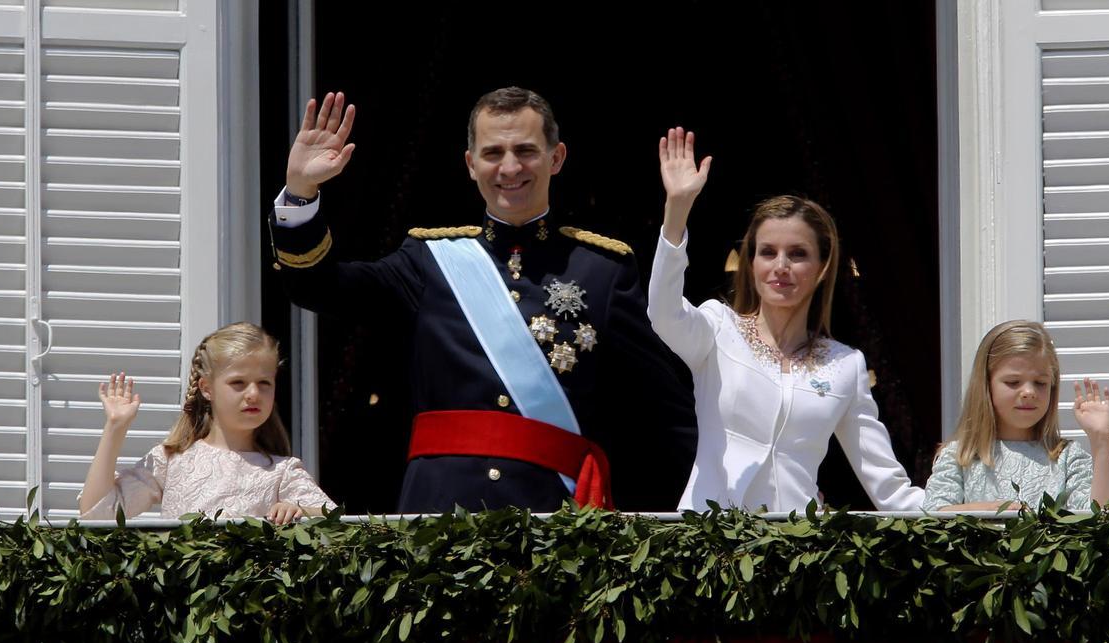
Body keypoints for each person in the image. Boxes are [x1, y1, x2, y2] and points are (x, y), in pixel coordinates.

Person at [267, 88, 697, 513]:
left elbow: (665, 413)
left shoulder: (603, 271)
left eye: (525, 150)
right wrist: (301, 192)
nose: (509, 167)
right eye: (493, 153)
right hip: (440, 519)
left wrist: (727, 520)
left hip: (557, 524)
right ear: (471, 165)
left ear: (557, 157)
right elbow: (317, 285)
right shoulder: (427, 260)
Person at [648, 127, 923, 512]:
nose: (781, 267)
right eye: (767, 252)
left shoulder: (845, 365)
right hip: (707, 544)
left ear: (823, 267)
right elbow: (663, 313)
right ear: (751, 263)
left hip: (796, 551)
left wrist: (968, 513)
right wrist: (677, 210)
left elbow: (891, 490)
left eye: (797, 254)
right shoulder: (718, 328)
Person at [78, 322, 334, 522]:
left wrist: (300, 512)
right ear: (206, 388)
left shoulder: (282, 471)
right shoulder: (170, 461)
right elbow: (98, 514)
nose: (254, 393)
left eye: (264, 383)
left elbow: (336, 522)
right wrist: (115, 428)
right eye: (238, 383)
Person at [922, 320, 1109, 511]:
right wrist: (987, 513)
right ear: (986, 386)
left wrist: (1101, 441)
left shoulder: (1067, 457)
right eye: (1013, 382)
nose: (1028, 392)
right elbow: (934, 515)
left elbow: (1100, 519)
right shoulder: (960, 455)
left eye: (1040, 383)